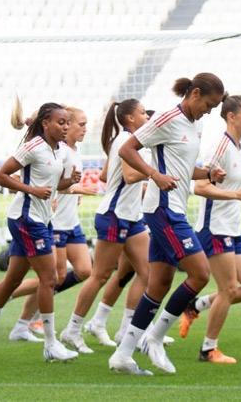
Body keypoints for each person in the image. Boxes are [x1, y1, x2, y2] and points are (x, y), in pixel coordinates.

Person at [108, 73, 226, 375]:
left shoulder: (193, 124)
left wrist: (209, 174)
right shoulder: (167, 118)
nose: (209, 112)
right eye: (208, 105)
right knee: (200, 274)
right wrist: (154, 175)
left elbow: (183, 170)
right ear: (195, 93)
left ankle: (123, 355)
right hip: (163, 209)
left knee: (158, 283)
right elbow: (127, 150)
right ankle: (155, 338)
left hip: (174, 208)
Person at [0, 102, 80, 363]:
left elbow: (49, 185)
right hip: (27, 219)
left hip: (41, 218)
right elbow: (1, 176)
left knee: (14, 280)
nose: (66, 127)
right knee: (50, 279)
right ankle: (51, 343)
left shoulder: (60, 150)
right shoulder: (32, 147)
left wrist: (67, 183)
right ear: (45, 123)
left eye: (68, 123)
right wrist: (32, 191)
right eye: (61, 122)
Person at [61, 100, 152, 356]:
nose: (147, 116)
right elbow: (130, 176)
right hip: (115, 215)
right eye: (143, 113)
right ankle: (73, 328)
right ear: (130, 119)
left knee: (147, 274)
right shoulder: (126, 140)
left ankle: (127, 331)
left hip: (131, 216)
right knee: (100, 275)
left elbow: (106, 177)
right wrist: (158, 172)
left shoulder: (127, 139)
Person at [180, 95, 241, 364]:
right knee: (228, 288)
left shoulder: (239, 146)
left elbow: (229, 184)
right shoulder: (220, 147)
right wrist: (236, 194)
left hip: (232, 228)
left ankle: (197, 305)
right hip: (215, 228)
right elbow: (201, 187)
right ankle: (208, 350)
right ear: (231, 117)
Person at [9, 106, 97, 348]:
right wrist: (77, 189)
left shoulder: (70, 152)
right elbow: (53, 185)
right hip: (54, 220)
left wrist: (73, 189)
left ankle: (20, 311)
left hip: (71, 221)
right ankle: (23, 317)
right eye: (80, 124)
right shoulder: (56, 152)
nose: (82, 129)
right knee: (52, 278)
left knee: (83, 270)